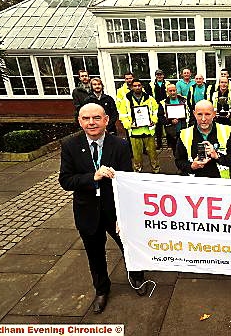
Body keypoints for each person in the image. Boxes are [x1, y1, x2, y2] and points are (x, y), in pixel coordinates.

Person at [59, 103, 147, 315]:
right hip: (87, 211)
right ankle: (101, 290)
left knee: (128, 246)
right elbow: (66, 181)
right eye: (86, 118)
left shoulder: (120, 145)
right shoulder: (70, 145)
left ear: (106, 120)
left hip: (115, 210)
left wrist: (124, 214)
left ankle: (136, 276)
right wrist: (93, 177)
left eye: (96, 118)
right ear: (79, 121)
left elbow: (128, 182)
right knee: (94, 253)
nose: (91, 123)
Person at [175, 100, 231, 178]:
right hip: (194, 184)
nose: (203, 119)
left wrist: (217, 156)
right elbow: (179, 161)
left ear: (214, 114)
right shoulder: (184, 134)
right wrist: (191, 166)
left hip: (220, 183)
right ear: (194, 114)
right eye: (199, 114)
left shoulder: (226, 130)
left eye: (207, 114)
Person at [119, 79, 161, 173]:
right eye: (135, 86)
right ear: (132, 87)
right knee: (136, 155)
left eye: (139, 85)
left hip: (148, 130)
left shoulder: (149, 98)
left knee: (152, 153)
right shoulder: (126, 100)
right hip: (134, 131)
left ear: (142, 86)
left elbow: (156, 111)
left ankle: (156, 171)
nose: (137, 87)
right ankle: (137, 172)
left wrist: (153, 121)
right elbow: (122, 114)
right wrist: (129, 125)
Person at [158, 84, 188, 156]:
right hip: (172, 132)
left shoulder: (184, 100)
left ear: (176, 91)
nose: (172, 92)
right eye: (170, 91)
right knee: (175, 151)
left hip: (184, 129)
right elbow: (160, 117)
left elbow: (190, 113)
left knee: (186, 149)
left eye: (174, 90)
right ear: (167, 92)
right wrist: (170, 121)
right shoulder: (163, 103)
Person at [149, 69, 170, 147]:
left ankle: (169, 143)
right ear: (155, 76)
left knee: (167, 124)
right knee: (158, 127)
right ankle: (159, 143)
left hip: (166, 106)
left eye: (160, 74)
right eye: (157, 75)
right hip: (156, 106)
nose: (159, 76)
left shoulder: (167, 83)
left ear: (163, 75)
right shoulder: (151, 84)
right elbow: (150, 96)